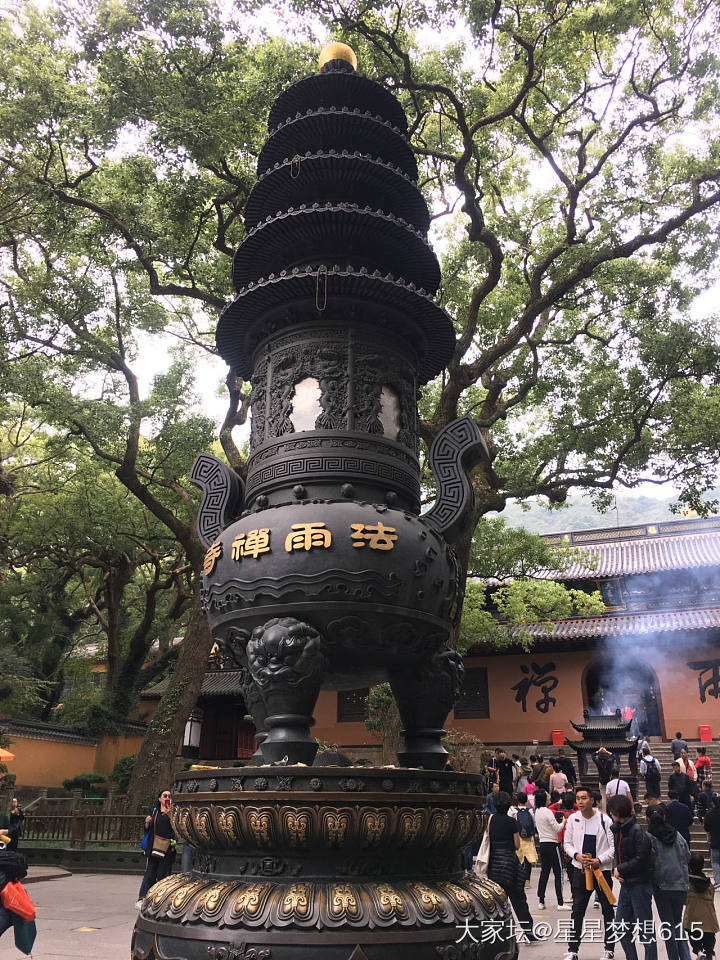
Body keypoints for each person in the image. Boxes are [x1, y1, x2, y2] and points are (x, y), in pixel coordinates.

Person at [562, 786, 616, 960]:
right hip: (580, 870)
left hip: (602, 871)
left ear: (592, 800)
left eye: (584, 798)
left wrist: (599, 860)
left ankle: (609, 948)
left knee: (607, 910)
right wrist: (576, 856)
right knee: (577, 910)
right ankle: (573, 950)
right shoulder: (572, 819)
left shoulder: (604, 820)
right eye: (578, 798)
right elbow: (567, 843)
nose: (580, 801)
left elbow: (613, 848)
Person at [607, 792, 657, 960]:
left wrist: (620, 869)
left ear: (616, 812)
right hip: (627, 885)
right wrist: (618, 870)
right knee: (621, 928)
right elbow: (618, 855)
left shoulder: (637, 832)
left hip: (640, 886)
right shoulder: (619, 831)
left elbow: (642, 859)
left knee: (645, 930)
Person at [486, 791, 537, 941]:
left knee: (498, 900)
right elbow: (516, 844)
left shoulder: (491, 820)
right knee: (518, 898)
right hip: (509, 864)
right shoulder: (511, 822)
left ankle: (500, 932)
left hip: (494, 864)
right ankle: (527, 930)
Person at [647, 804, 690, 960]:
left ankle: (674, 957)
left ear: (648, 819)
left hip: (662, 886)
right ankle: (686, 957)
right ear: (665, 817)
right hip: (680, 885)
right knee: (677, 923)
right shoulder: (677, 835)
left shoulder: (650, 838)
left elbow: (649, 862)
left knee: (668, 925)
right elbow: (687, 856)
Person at [136, 788, 175, 908]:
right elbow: (149, 829)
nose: (167, 798)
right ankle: (143, 898)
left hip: (167, 848)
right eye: (165, 795)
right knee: (150, 873)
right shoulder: (155, 811)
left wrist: (170, 814)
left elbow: (176, 828)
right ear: (160, 799)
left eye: (169, 796)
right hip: (153, 847)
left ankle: (161, 899)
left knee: (163, 875)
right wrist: (147, 823)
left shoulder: (173, 812)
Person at [534, 790, 569, 910]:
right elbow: (557, 828)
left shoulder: (537, 812)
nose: (549, 797)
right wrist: (563, 822)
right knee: (558, 873)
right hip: (553, 844)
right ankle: (560, 902)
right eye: (547, 796)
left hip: (543, 844)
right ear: (544, 798)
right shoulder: (548, 812)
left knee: (544, 872)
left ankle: (541, 900)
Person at [684, 853, 718, 959]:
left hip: (692, 919)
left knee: (694, 935)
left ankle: (699, 951)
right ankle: (708, 953)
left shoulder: (688, 884)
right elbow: (711, 899)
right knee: (709, 938)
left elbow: (684, 901)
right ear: (703, 866)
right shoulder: (709, 885)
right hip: (708, 919)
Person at [510, 792, 537, 887]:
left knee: (518, 857)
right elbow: (534, 823)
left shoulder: (513, 811)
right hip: (529, 838)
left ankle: (519, 878)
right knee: (528, 859)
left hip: (518, 836)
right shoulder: (530, 811)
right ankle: (527, 881)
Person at [703, 793, 720, 887]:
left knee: (715, 862)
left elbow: (706, 827)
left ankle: (718, 880)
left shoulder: (710, 813)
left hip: (715, 841)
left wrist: (708, 837)